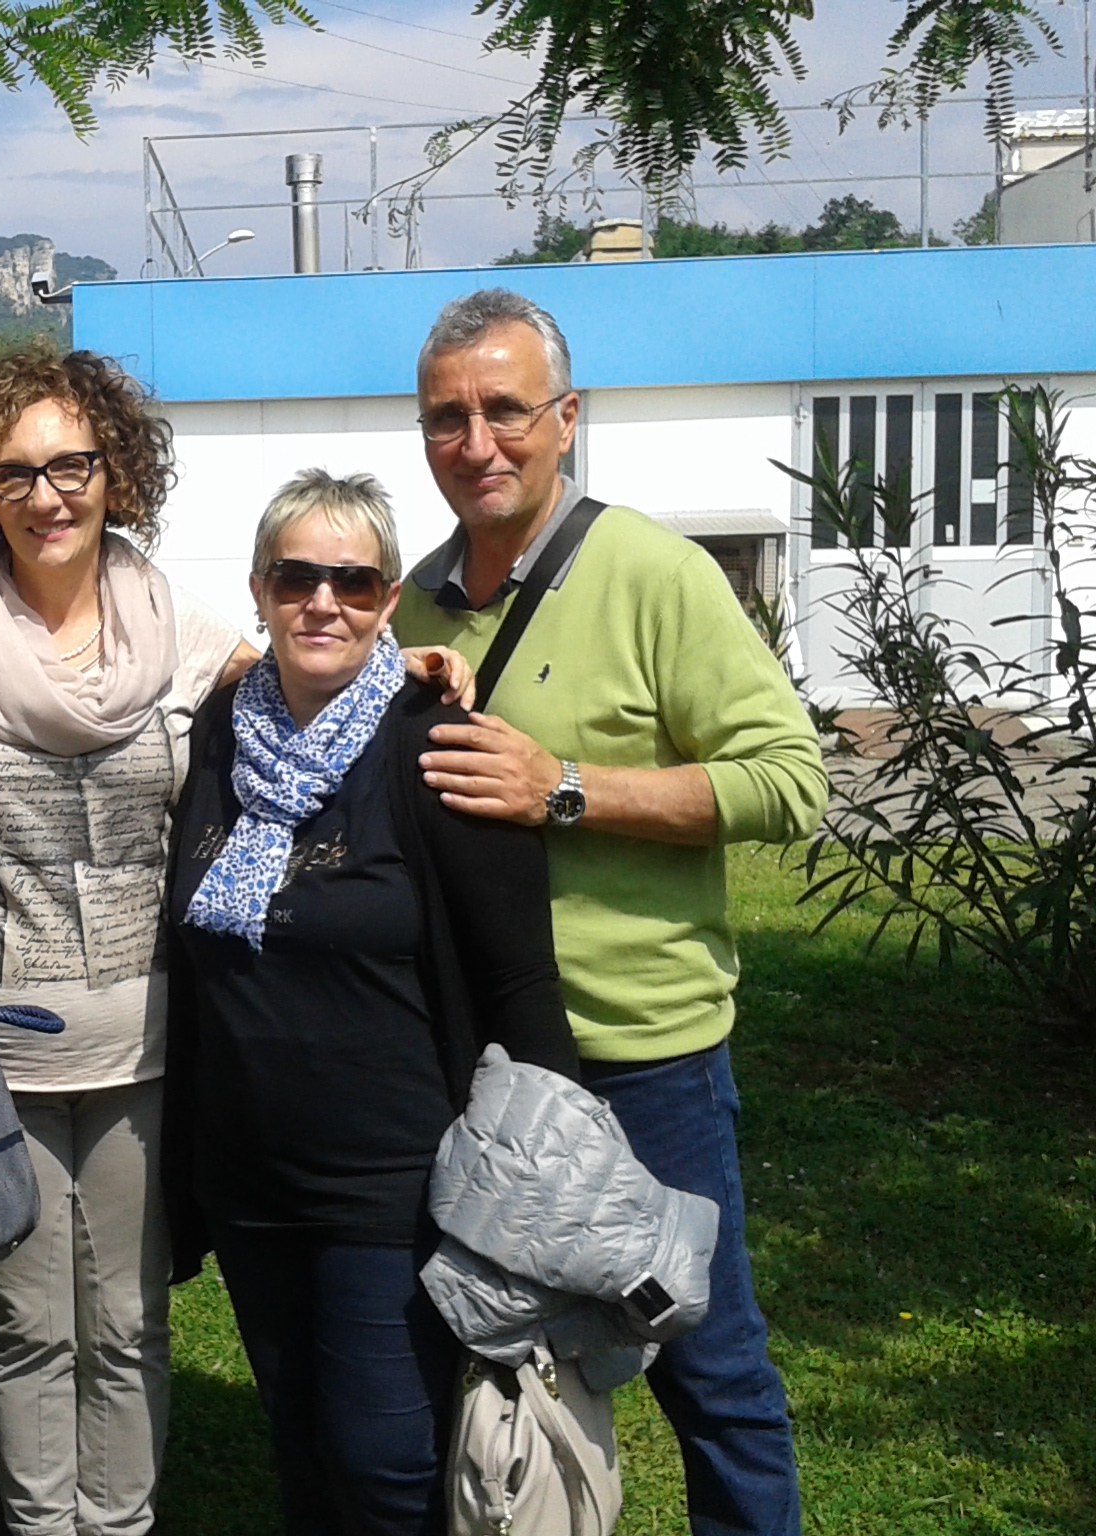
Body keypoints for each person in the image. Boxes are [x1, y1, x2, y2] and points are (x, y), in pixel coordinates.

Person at [395, 289, 829, 1536]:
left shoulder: (653, 573)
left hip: (640, 1057)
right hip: (480, 1061)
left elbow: (788, 781)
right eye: (446, 418)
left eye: (505, 410)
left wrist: (565, 789)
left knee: (705, 1361)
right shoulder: (414, 603)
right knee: (489, 1349)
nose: (477, 442)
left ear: (566, 419)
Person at [0, 348, 260, 1536]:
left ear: (115, 473)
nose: (47, 496)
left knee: (131, 1319)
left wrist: (407, 678)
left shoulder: (177, 625)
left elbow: (305, 700)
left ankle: (123, 1523)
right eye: (16, 473)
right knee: (29, 1326)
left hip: (148, 1044)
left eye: (71, 466)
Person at [162, 468, 581, 1535]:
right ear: (259, 590)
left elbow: (519, 980)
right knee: (300, 1439)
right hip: (247, 1177)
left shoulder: (438, 743)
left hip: (389, 1185)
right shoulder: (218, 734)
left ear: (390, 600)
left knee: (387, 1462)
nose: (323, 602)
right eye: (296, 577)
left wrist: (552, 1178)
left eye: (352, 582)